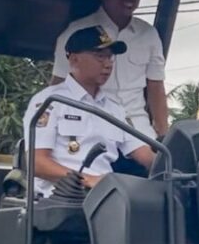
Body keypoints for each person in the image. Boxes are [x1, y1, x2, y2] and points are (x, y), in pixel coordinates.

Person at [25, 26, 154, 197]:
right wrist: (87, 179)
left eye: (110, 57)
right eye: (99, 56)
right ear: (74, 59)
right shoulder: (50, 101)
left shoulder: (114, 109)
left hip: (104, 199)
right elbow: (37, 163)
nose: (108, 64)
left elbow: (144, 155)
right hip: (59, 200)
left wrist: (176, 167)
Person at [52, 0, 168, 140]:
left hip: (138, 130)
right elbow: (59, 84)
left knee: (161, 164)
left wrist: (164, 134)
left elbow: (156, 86)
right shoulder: (74, 33)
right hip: (91, 127)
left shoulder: (149, 34)